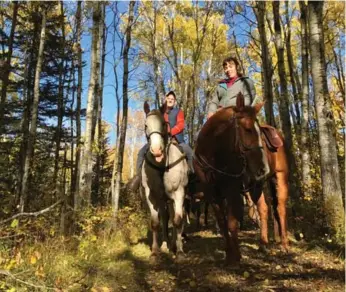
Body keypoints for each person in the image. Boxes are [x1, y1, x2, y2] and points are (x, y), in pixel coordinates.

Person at [128, 91, 194, 191]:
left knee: (189, 152)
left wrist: (170, 131)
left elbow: (180, 125)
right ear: (165, 100)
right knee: (141, 152)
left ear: (175, 101)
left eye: (172, 99)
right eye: (169, 98)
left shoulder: (178, 112)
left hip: (176, 139)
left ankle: (192, 175)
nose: (170, 100)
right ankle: (139, 177)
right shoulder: (159, 112)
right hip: (159, 140)